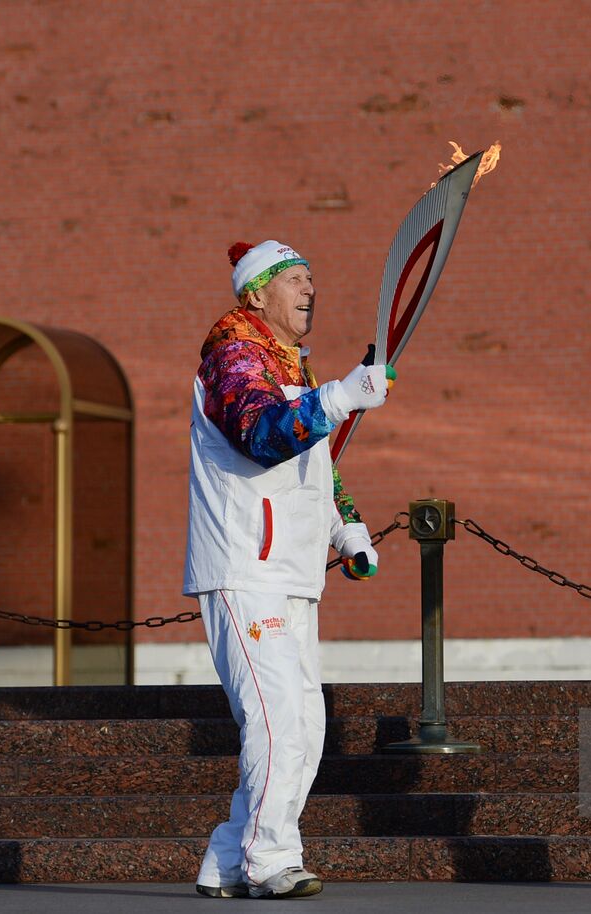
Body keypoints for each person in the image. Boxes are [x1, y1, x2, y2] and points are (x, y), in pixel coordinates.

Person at [184, 240, 394, 899]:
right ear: (256, 294)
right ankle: (271, 858)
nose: (310, 288)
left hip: (293, 572)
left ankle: (227, 857)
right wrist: (339, 397)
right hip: (246, 564)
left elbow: (312, 461)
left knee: (304, 725)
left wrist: (346, 526)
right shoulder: (233, 351)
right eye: (296, 278)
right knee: (276, 720)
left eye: (312, 276)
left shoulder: (287, 362)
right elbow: (261, 433)